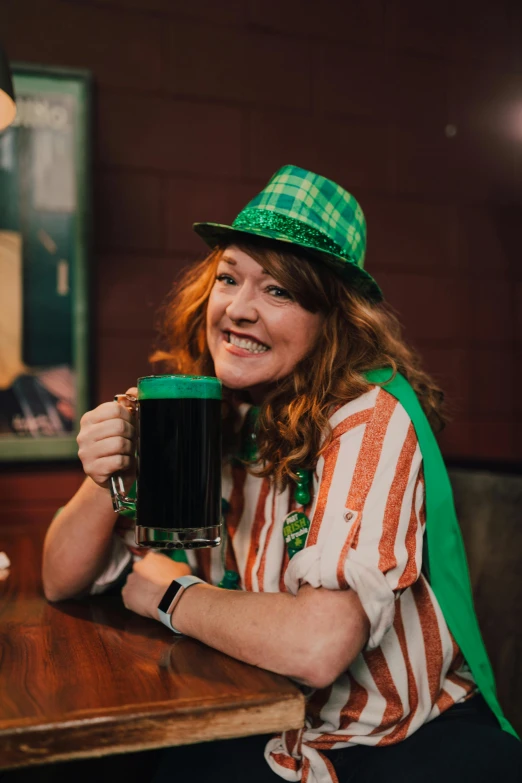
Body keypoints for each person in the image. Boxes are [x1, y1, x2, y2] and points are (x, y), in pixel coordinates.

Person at [42, 165, 521, 783]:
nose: (239, 310)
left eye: (280, 292)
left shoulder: (368, 418)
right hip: (248, 716)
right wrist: (102, 475)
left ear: (335, 320)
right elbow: (60, 578)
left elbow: (317, 649)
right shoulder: (201, 407)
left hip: (384, 741)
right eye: (228, 278)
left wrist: (168, 594)